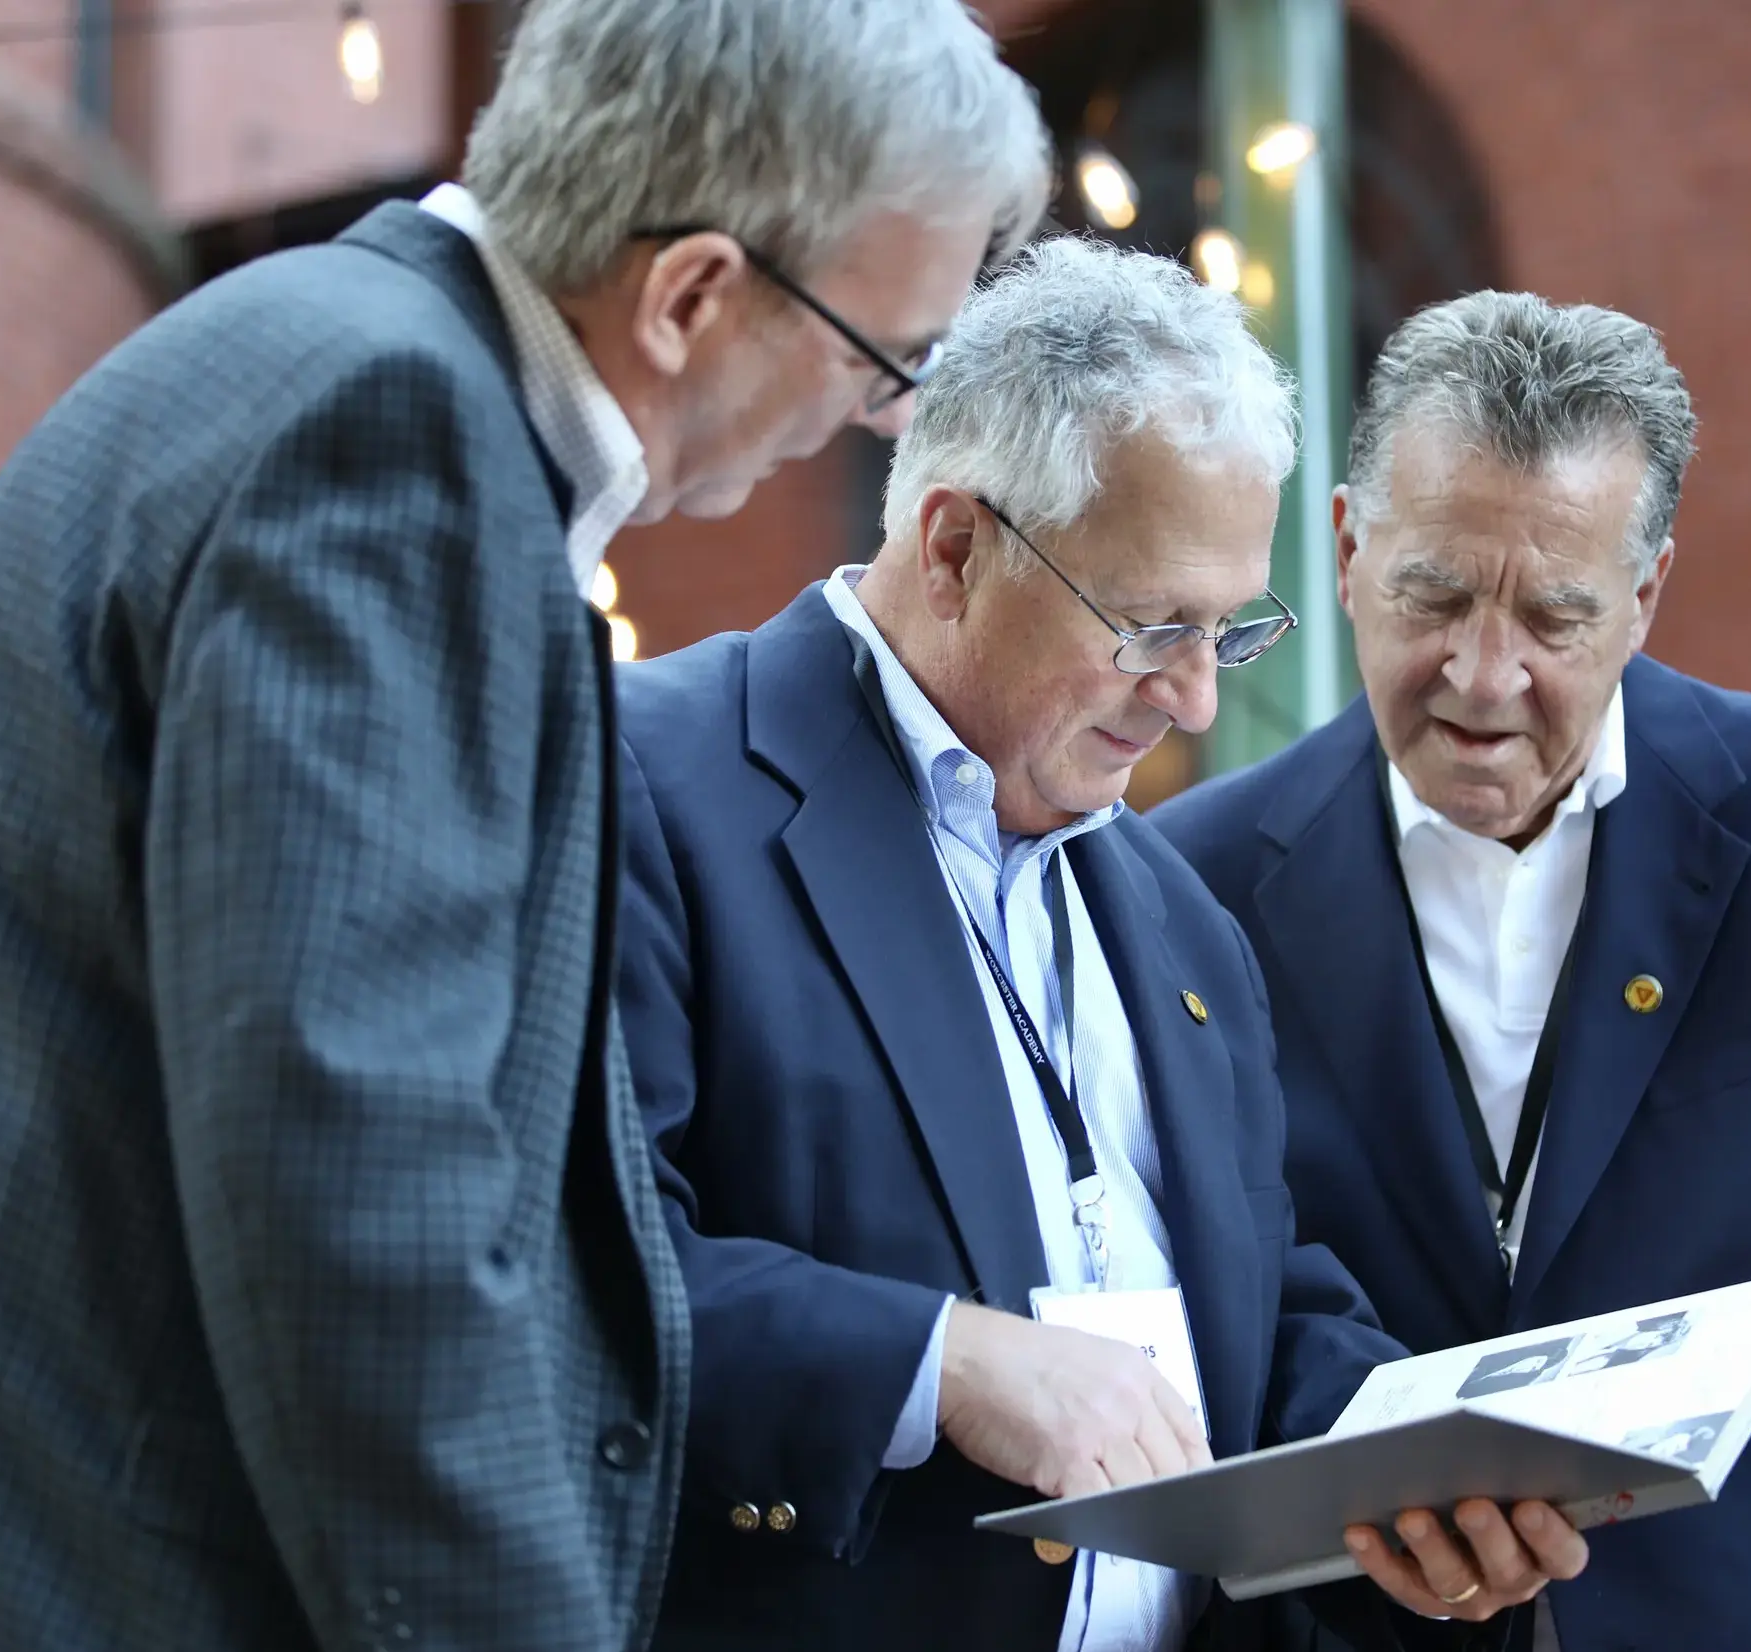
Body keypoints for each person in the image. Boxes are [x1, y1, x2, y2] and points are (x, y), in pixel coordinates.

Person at [0, 4, 1050, 1649]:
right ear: (696, 294)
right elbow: (366, 1213)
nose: (873, 416)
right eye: (883, 358)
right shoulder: (389, 441)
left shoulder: (318, 361)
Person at [613, 240, 1588, 1652]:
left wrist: (1421, 1468)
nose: (1192, 698)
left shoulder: (1177, 906)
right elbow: (562, 1265)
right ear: (955, 548)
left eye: (1228, 631)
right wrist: (938, 1362)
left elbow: (1247, 1300)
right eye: (1150, 629)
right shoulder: (649, 781)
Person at [1154, 292, 1751, 1649]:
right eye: (1436, 595)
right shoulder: (1183, 879)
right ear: (1347, 548)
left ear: (1645, 597)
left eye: (1555, 617)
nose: (1483, 675)